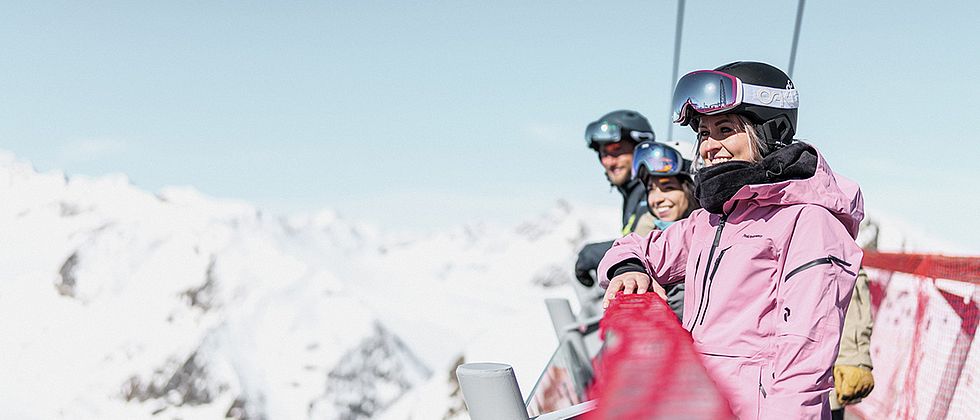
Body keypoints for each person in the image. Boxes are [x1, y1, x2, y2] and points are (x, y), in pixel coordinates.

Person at [598, 61, 864, 419]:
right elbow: (637, 247)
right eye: (704, 133)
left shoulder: (810, 222)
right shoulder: (712, 220)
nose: (710, 146)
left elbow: (804, 360)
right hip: (702, 402)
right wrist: (629, 269)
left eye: (724, 129)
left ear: (771, 131)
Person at [572, 110, 656, 316]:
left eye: (617, 150)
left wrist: (593, 254)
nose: (609, 162)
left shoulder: (659, 191)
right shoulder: (633, 193)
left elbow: (654, 245)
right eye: (603, 153)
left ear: (641, 149)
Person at [630, 140, 701, 320]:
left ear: (692, 187)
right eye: (651, 189)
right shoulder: (651, 236)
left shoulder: (707, 239)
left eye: (668, 188)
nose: (657, 199)